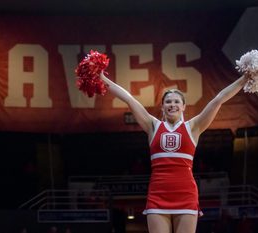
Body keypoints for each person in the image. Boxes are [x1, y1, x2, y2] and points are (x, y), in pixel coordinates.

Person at [99, 71, 249, 233]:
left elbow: (219, 99)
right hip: (158, 194)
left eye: (177, 101)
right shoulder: (152, 125)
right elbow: (129, 98)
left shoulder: (194, 127)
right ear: (162, 106)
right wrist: (102, 78)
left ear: (184, 106)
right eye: (168, 101)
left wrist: (245, 79)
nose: (172, 104)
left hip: (186, 194)